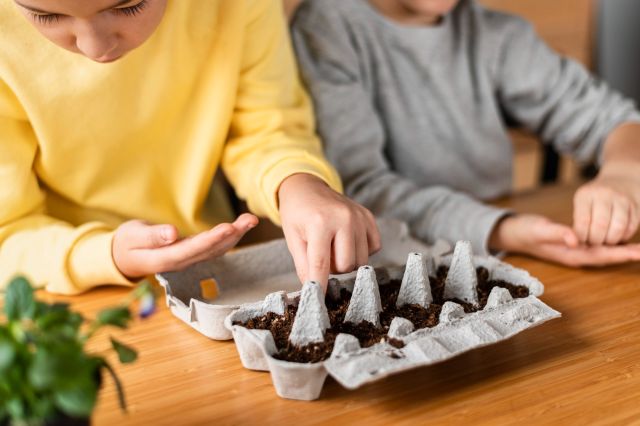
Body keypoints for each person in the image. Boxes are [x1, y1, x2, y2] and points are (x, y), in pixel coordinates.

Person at [0, 0, 380, 295]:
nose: (94, 46)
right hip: (62, 295)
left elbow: (266, 128)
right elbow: (7, 234)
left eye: (128, 6)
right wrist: (106, 255)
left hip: (212, 275)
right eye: (45, 16)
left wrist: (299, 184)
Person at [291, 0, 640, 266]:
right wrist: (505, 230)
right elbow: (360, 191)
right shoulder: (326, 28)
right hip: (394, 265)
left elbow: (615, 120)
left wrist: (624, 172)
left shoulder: (496, 33)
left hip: (500, 257)